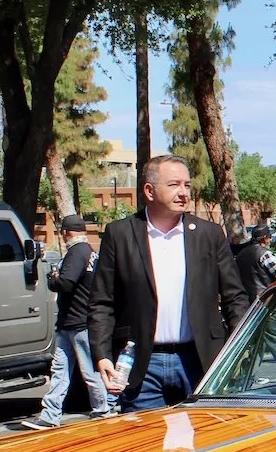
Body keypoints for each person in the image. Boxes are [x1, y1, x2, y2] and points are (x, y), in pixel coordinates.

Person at [89, 154, 249, 412]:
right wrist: (102, 355)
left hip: (200, 361)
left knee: (205, 444)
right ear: (149, 191)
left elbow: (235, 298)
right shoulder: (120, 234)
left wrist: (238, 352)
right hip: (142, 363)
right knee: (146, 446)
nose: (183, 192)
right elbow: (101, 302)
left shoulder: (209, 235)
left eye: (187, 185)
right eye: (174, 185)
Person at [22, 214, 113, 430]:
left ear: (66, 233)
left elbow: (66, 283)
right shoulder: (90, 252)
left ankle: (103, 410)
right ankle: (50, 414)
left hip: (78, 322)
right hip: (72, 322)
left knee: (88, 371)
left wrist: (53, 278)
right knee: (60, 370)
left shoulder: (76, 253)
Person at [237, 222, 276, 378]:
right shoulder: (264, 253)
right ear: (264, 239)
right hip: (267, 302)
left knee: (256, 343)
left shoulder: (242, 254)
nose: (270, 240)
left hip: (249, 304)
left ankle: (246, 378)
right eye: (269, 237)